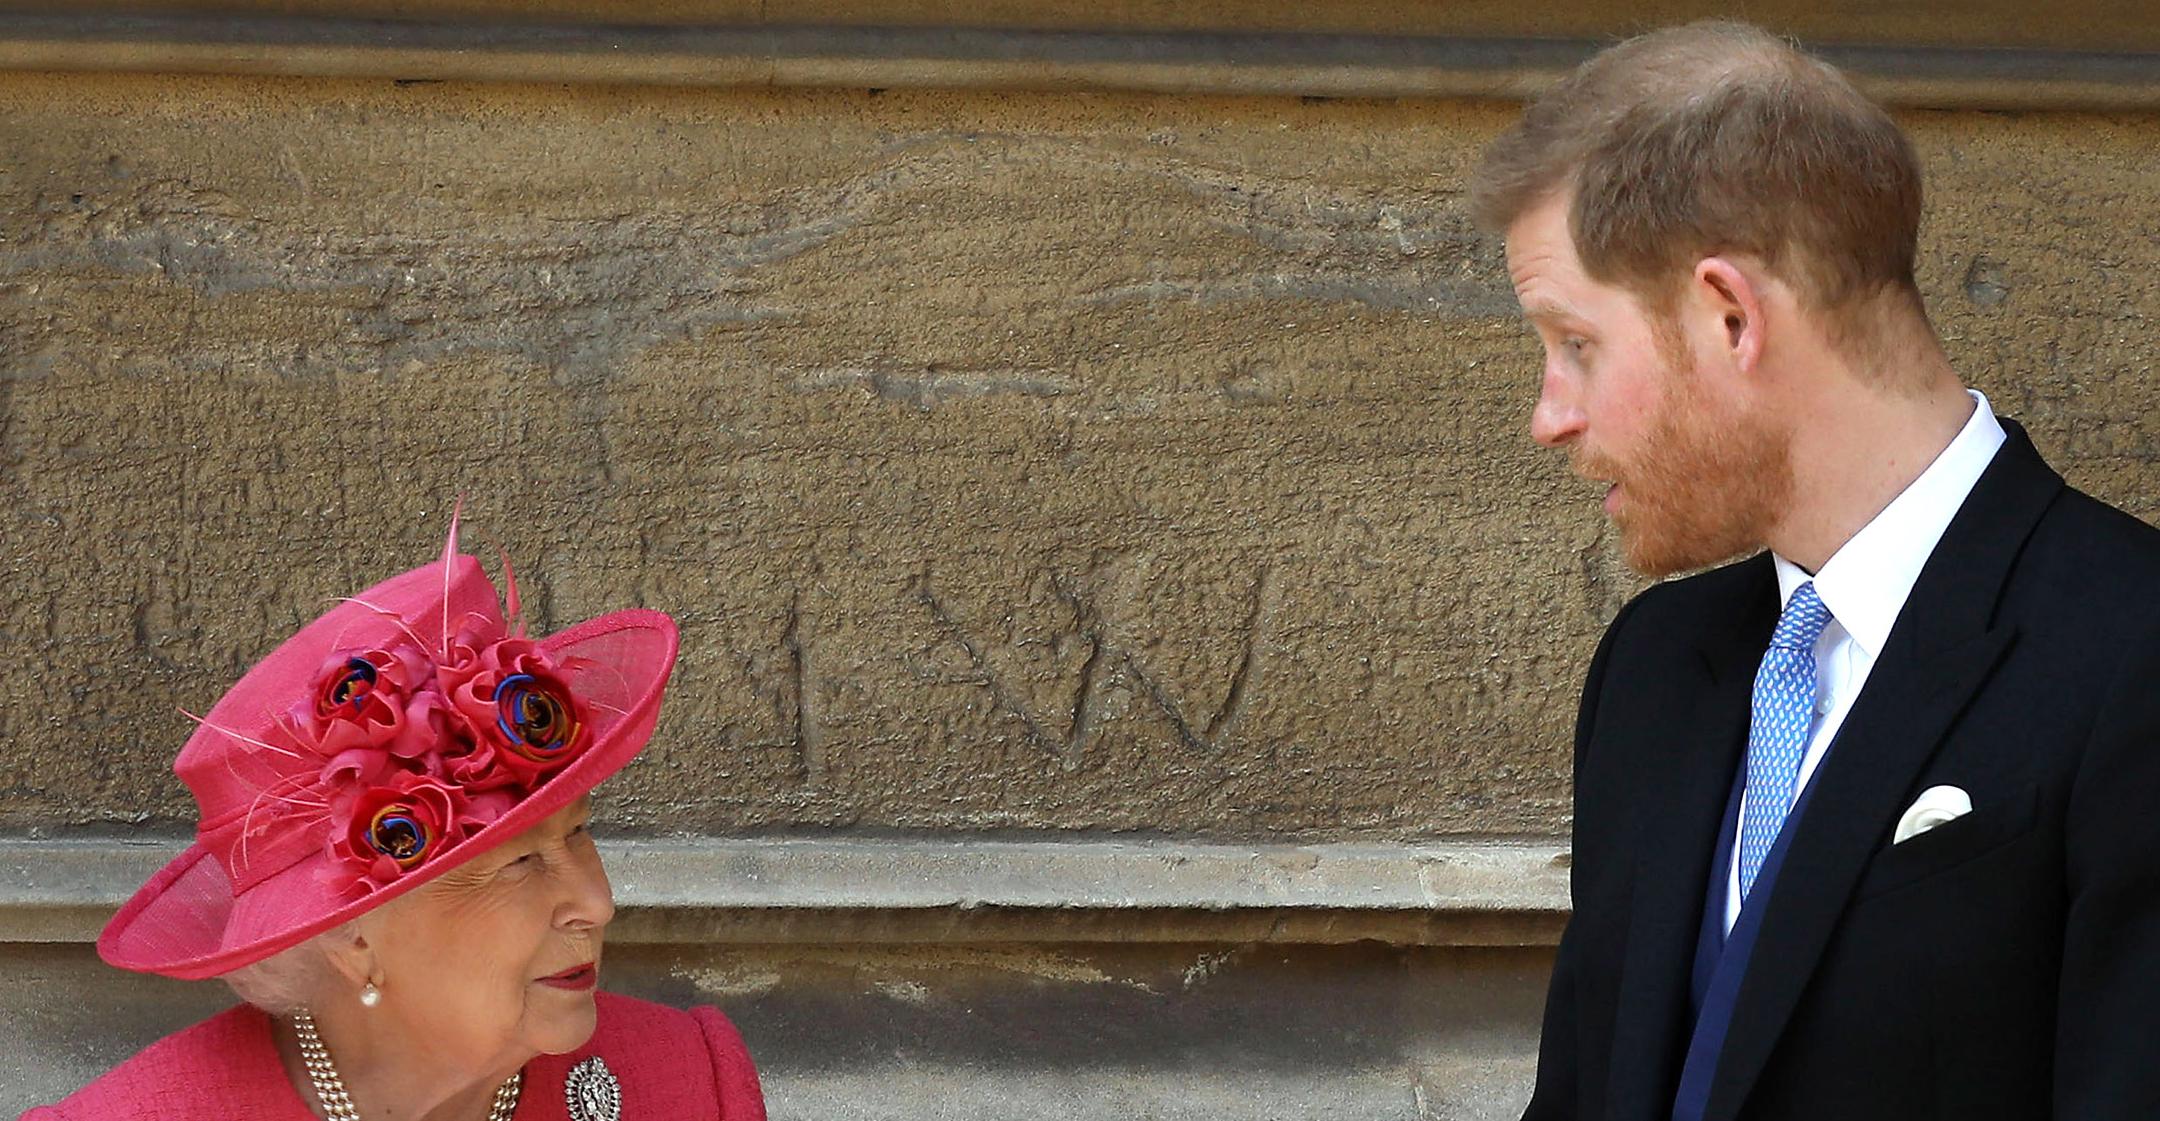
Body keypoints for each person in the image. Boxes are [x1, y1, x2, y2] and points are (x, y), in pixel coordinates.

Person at [1469, 20, 2160, 1121]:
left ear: (1730, 314)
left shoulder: (2134, 653)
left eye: (1576, 344)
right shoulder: (1653, 667)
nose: (1549, 416)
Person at [20, 522, 766, 1120]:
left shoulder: (691, 1084)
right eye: (517, 862)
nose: (596, 902)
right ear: (353, 935)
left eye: (578, 831)